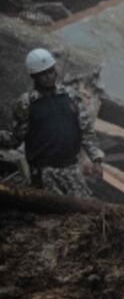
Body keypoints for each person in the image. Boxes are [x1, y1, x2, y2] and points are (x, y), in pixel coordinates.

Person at [0, 48, 104, 197]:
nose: (49, 77)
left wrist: (97, 160)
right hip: (44, 173)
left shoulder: (71, 97)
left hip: (71, 170)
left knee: (86, 208)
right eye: (43, 74)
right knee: (56, 211)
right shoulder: (26, 103)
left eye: (50, 71)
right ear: (34, 76)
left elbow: (86, 131)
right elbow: (16, 139)